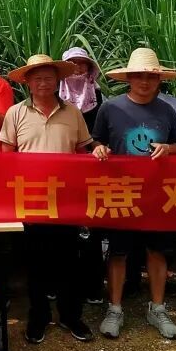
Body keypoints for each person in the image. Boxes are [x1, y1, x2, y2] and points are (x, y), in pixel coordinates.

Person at [90, 48, 176, 340]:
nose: (145, 81)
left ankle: (158, 307)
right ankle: (114, 308)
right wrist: (99, 149)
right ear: (128, 78)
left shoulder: (167, 110)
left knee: (156, 251)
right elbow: (96, 141)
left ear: (159, 80)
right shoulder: (110, 108)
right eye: (138, 76)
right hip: (120, 192)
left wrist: (167, 149)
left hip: (156, 192)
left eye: (151, 77)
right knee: (118, 252)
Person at [0, 55, 94, 344]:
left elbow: (83, 152)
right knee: (36, 262)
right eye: (37, 78)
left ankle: (70, 315)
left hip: (65, 200)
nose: (43, 83)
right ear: (28, 83)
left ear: (57, 81)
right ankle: (38, 317)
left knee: (69, 261)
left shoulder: (73, 113)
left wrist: (98, 154)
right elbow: (6, 158)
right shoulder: (15, 113)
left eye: (49, 78)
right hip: (31, 200)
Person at [59, 46, 105, 305]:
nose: (77, 68)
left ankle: (92, 285)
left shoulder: (98, 97)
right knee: (62, 229)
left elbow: (101, 134)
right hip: (60, 173)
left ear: (90, 68)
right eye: (72, 64)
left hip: (91, 172)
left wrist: (98, 147)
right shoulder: (54, 96)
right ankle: (58, 283)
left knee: (91, 230)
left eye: (82, 63)